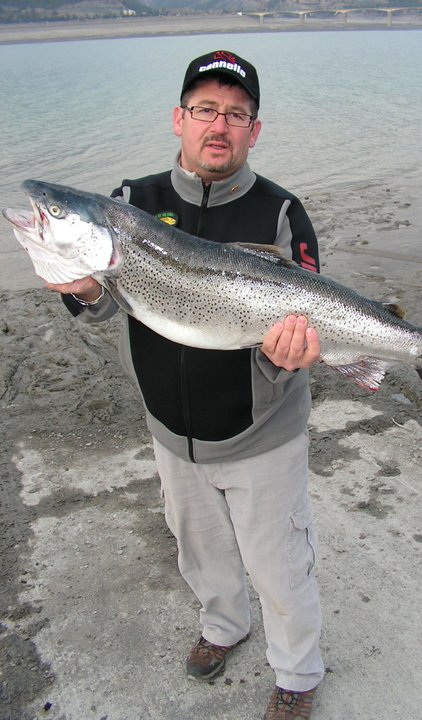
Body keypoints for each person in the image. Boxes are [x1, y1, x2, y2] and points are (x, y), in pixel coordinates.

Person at [47, 50, 324, 719]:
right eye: (205, 109)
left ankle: (298, 672)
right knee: (199, 552)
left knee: (280, 567)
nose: (218, 125)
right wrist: (86, 293)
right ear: (179, 118)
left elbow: (310, 318)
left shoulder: (283, 213)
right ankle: (224, 627)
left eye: (236, 113)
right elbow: (113, 303)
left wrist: (295, 353)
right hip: (172, 434)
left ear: (254, 130)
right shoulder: (130, 204)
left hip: (262, 436)